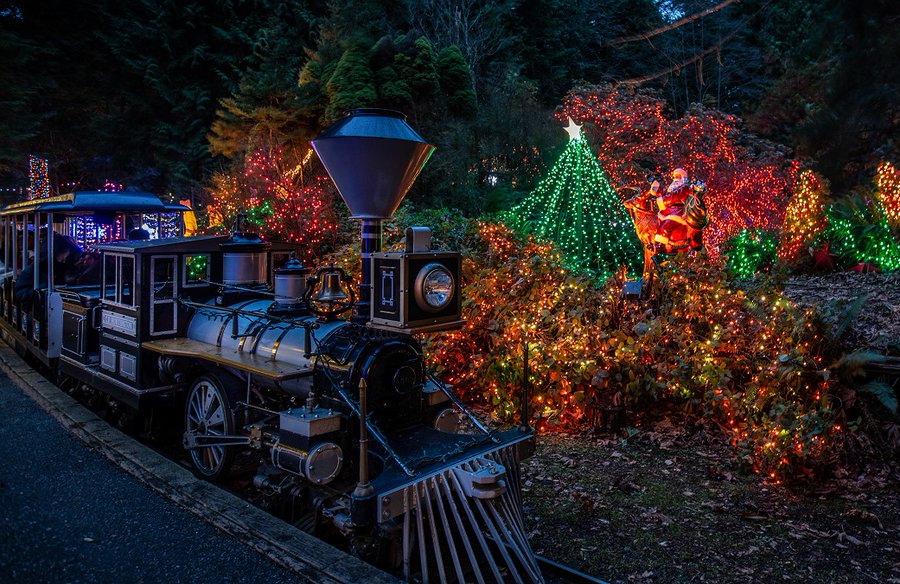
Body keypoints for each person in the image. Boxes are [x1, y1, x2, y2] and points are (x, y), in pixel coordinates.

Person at [14, 233, 82, 308]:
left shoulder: (69, 267)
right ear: (54, 252)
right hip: (41, 309)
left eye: (67, 252)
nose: (65, 257)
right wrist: (44, 289)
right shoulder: (36, 269)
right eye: (63, 252)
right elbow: (20, 293)